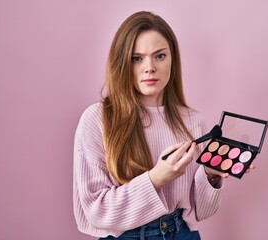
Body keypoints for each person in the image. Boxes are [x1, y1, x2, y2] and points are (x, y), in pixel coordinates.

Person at [73, 11, 254, 240]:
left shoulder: (193, 121)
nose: (149, 67)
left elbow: (202, 211)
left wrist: (211, 173)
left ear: (173, 60)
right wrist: (157, 177)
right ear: (121, 62)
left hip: (182, 233)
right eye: (136, 58)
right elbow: (96, 212)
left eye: (159, 56)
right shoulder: (97, 119)